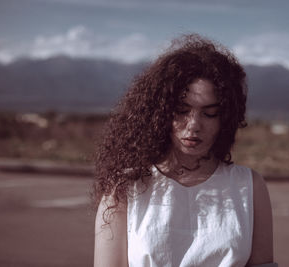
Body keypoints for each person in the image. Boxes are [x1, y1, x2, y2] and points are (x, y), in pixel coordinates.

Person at [93, 34, 278, 267]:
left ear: (227, 117)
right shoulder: (124, 188)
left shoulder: (249, 186)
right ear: (159, 113)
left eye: (210, 113)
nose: (194, 126)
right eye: (181, 110)